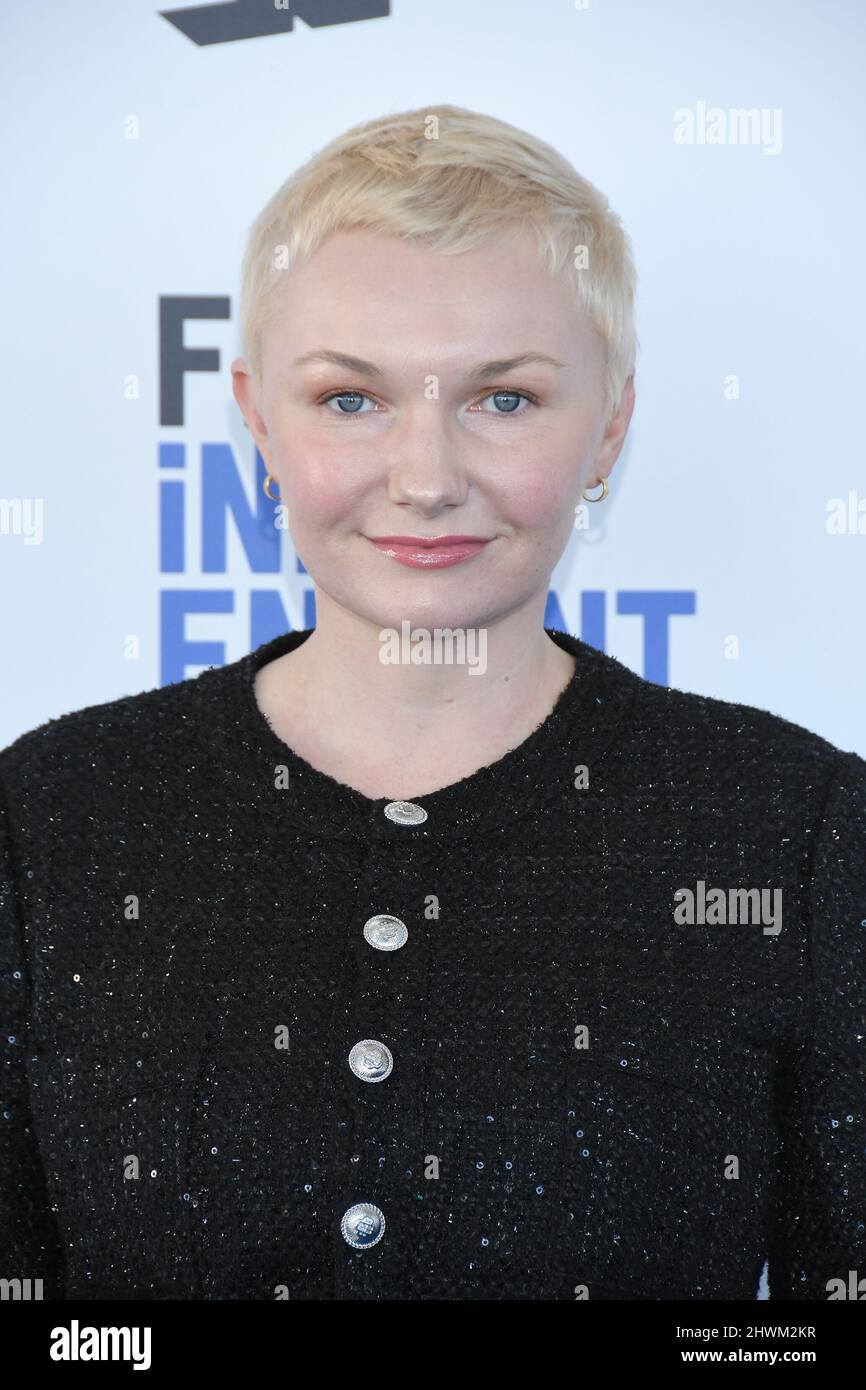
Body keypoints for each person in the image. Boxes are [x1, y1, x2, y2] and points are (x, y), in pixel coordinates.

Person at [1, 104, 864, 1301]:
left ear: (608, 424)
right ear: (256, 420)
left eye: (501, 398)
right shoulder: (50, 820)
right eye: (349, 400)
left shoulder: (794, 830)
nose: (425, 477)